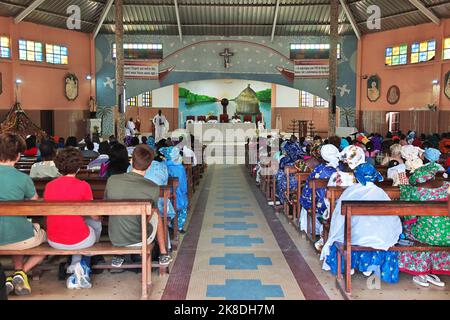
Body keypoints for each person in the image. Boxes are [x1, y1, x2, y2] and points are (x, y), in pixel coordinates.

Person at [321, 145, 402, 283]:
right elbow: (393, 218)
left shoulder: (351, 191)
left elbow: (338, 216)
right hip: (380, 235)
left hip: (354, 234)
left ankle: (350, 263)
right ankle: (370, 265)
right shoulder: (381, 192)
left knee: (350, 228)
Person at [44, 147, 102, 289]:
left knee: (74, 224)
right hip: (80, 240)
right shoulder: (83, 186)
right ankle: (82, 264)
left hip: (54, 240)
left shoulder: (49, 186)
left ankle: (75, 264)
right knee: (96, 224)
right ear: (78, 167)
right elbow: (94, 216)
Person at [104, 145, 172, 265]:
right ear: (150, 165)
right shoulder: (152, 187)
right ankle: (163, 253)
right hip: (140, 238)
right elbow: (149, 216)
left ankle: (118, 255)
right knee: (155, 212)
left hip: (115, 237)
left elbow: (106, 205)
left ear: (131, 161)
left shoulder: (112, 180)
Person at [0, 133, 46, 296]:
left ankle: (17, 273)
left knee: (14, 228)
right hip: (19, 238)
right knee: (48, 241)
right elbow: (35, 206)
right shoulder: (23, 179)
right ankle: (20, 273)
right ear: (19, 155)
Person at [398, 162, 449, 287]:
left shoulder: (415, 191)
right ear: (432, 175)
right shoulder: (447, 186)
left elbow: (409, 218)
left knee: (408, 230)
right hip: (448, 235)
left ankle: (420, 268)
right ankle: (436, 265)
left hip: (427, 236)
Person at [159, 146, 189, 232]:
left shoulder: (163, 165)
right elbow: (183, 183)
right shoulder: (180, 167)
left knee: (169, 207)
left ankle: (170, 224)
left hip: (165, 194)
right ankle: (179, 226)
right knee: (182, 209)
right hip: (178, 194)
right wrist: (184, 191)